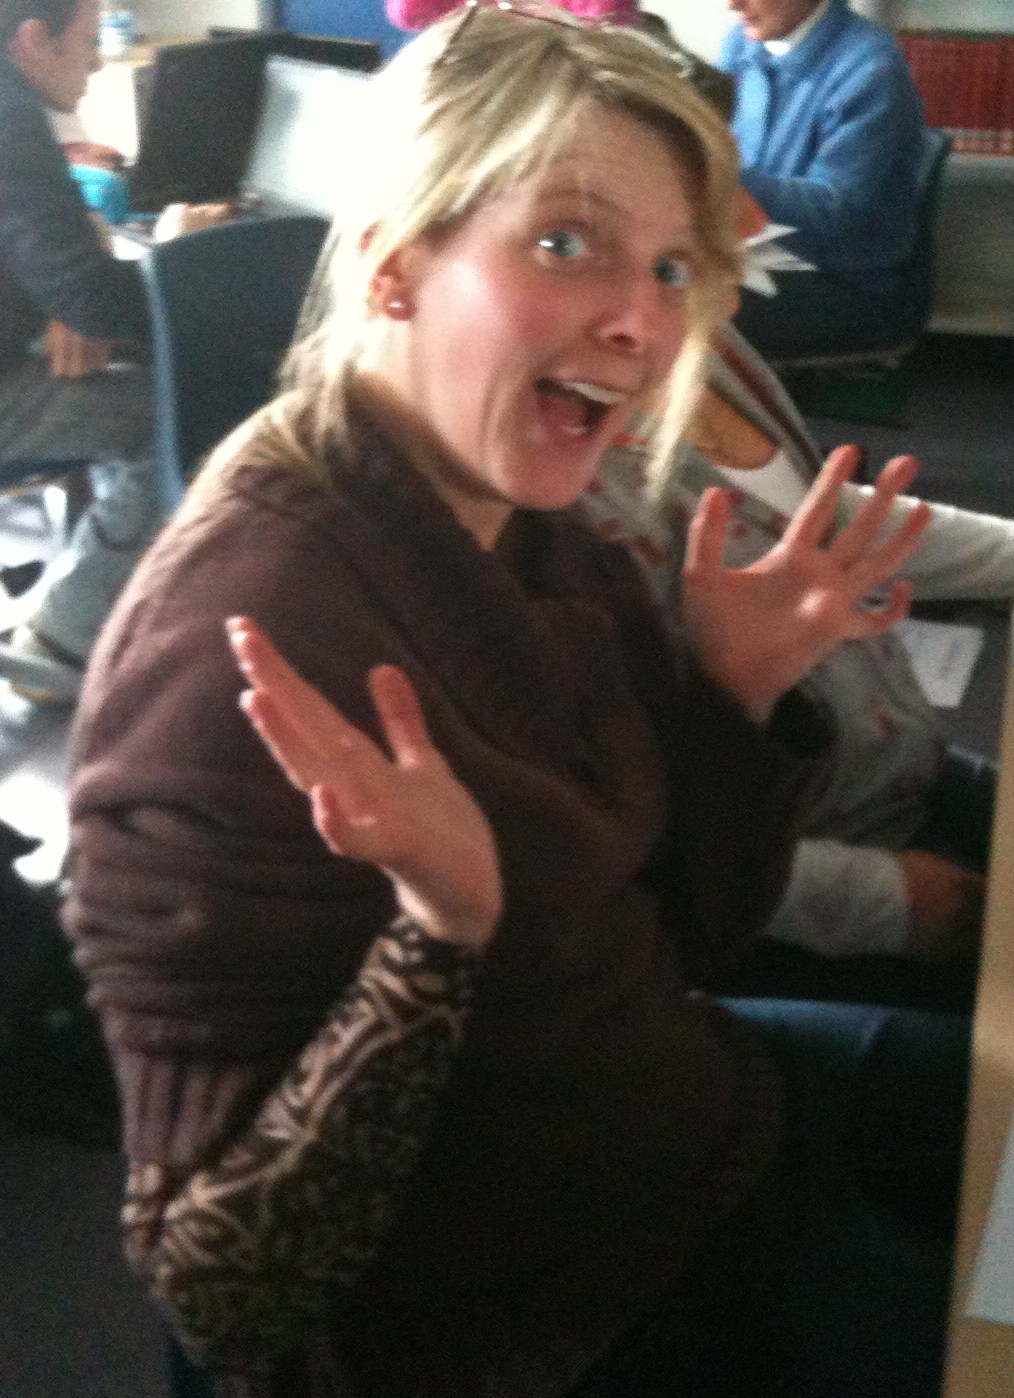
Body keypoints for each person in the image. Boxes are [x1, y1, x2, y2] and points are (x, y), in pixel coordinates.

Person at [65, 8, 968, 1398]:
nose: (643, 321)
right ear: (394, 265)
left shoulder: (544, 530)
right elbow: (223, 1289)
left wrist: (727, 697)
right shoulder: (233, 664)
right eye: (564, 243)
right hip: (545, 1304)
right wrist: (437, 938)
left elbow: (691, 929)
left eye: (671, 266)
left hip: (689, 1102)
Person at [589, 320, 1004, 1010]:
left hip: (891, 763)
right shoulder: (540, 477)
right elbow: (612, 827)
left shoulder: (691, 327)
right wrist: (884, 903)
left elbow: (803, 519)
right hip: (788, 882)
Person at [0, 0, 227, 704]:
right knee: (172, 415)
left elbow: (54, 261)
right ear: (34, 41)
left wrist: (65, 293)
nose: (99, 60)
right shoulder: (8, 116)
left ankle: (91, 587)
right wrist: (179, 256)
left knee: (127, 373)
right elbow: (91, 296)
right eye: (89, 41)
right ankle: (65, 639)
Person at [718, 0, 927, 358]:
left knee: (686, 307)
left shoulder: (871, 70)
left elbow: (838, 214)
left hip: (845, 284)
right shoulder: (744, 42)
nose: (732, 4)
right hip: (762, 252)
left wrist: (720, 177)